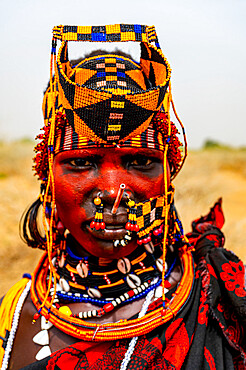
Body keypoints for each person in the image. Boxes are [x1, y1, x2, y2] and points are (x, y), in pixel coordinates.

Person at [0, 23, 245, 370]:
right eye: (81, 162)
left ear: (168, 176)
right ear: (47, 177)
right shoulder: (11, 315)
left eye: (141, 161)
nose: (113, 193)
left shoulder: (223, 300)